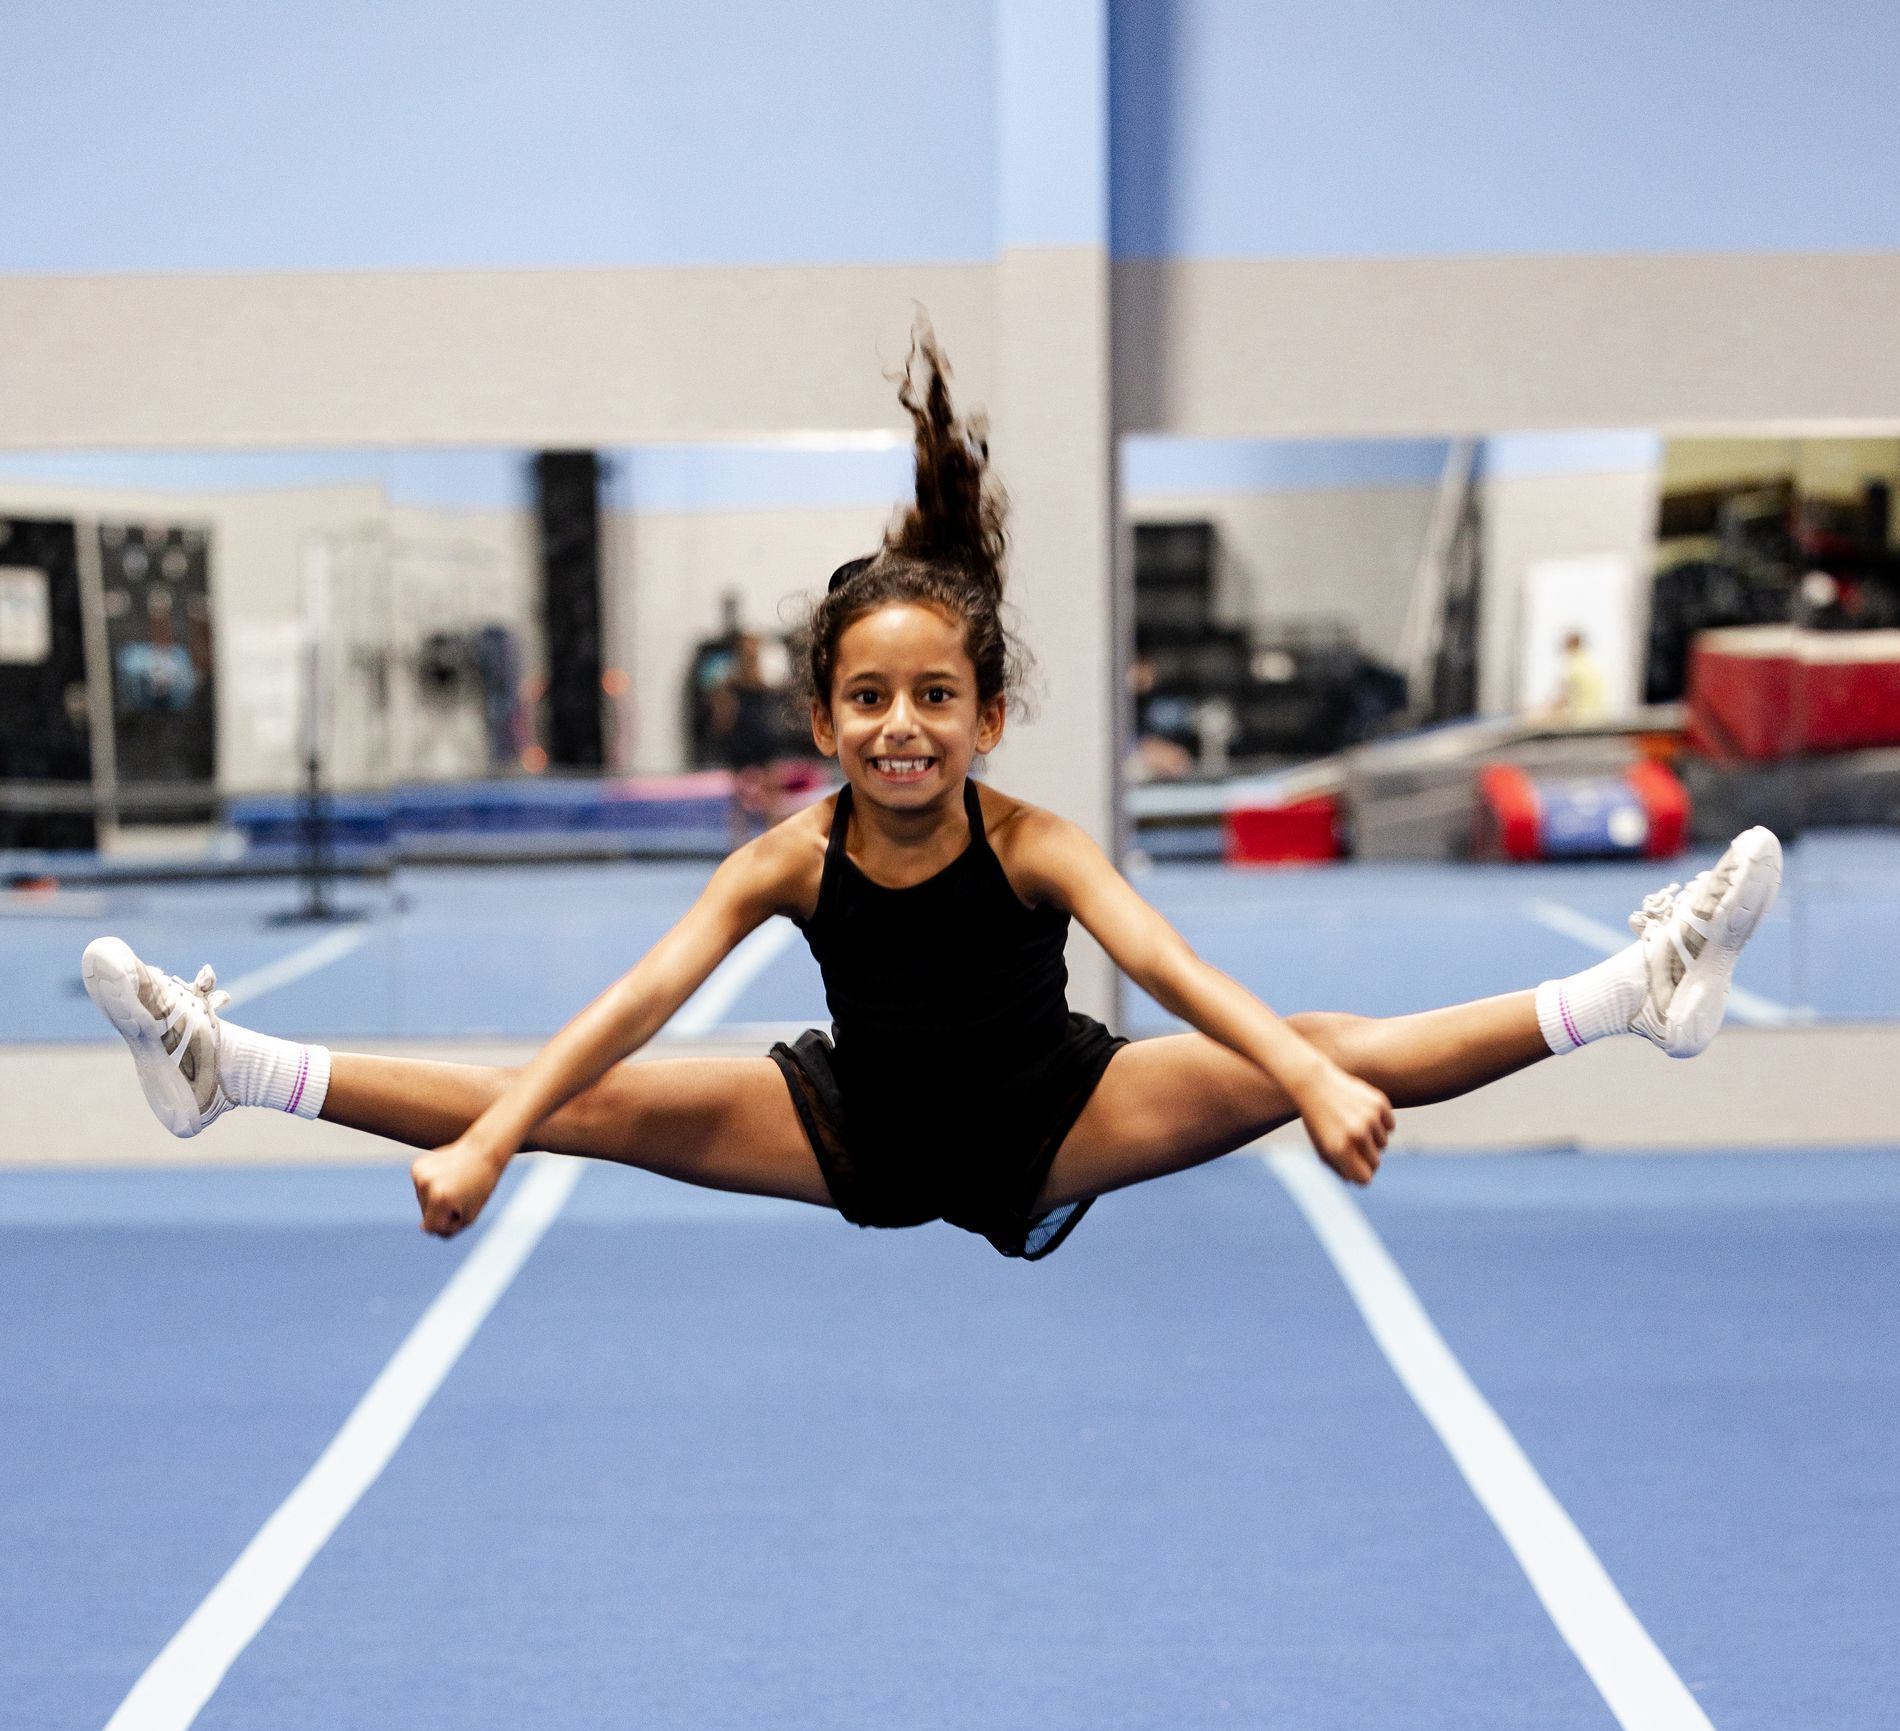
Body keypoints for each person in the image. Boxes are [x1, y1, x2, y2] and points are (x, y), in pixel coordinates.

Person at [79, 331, 1783, 1260]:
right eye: (870, 697)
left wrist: (1302, 1086)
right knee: (569, 1091)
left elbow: (1177, 970)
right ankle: (225, 1068)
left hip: (1055, 1113)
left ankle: (1638, 991)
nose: (903, 726)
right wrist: (501, 1145)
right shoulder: (787, 859)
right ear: (822, 714)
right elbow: (628, 1008)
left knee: (1317, 1037)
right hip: (858, 1134)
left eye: (935, 699)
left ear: (987, 716)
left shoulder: (1033, 843)